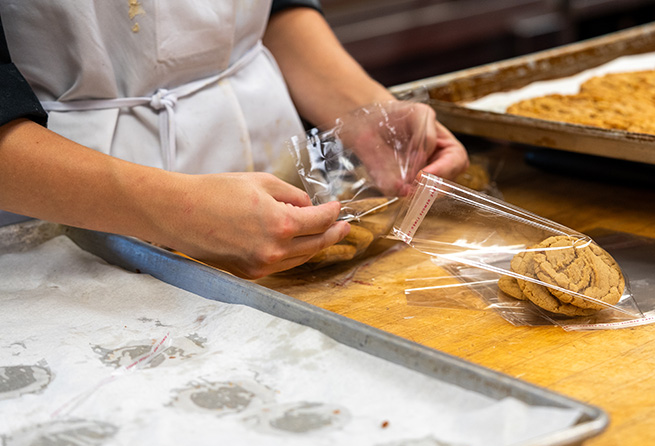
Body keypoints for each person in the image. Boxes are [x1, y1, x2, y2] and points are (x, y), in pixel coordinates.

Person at [0, 0, 468, 278]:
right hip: (63, 209)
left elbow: (273, 9)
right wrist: (177, 211)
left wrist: (365, 114)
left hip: (272, 174)